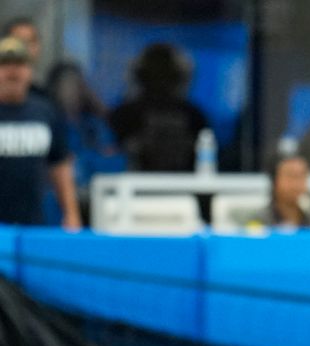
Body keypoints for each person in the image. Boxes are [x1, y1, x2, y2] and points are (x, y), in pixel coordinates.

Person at [0, 37, 80, 229]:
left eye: (19, 64)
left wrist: (71, 213)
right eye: (5, 64)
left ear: (30, 71)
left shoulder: (45, 112)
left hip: (33, 223)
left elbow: (60, 165)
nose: (13, 72)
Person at [46, 61, 126, 222]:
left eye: (73, 84)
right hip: (55, 201)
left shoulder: (95, 124)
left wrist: (84, 163)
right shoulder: (46, 122)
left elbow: (116, 162)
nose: (68, 92)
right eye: (63, 85)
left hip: (97, 198)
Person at [109, 43, 208, 172]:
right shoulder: (193, 114)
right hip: (184, 188)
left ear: (138, 75)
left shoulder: (124, 113)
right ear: (180, 77)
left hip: (134, 189)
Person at [263, 155, 310, 227]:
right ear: (274, 181)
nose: (297, 184)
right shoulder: (260, 224)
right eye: (290, 176)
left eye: (302, 176)